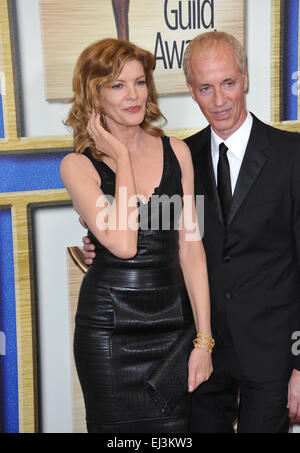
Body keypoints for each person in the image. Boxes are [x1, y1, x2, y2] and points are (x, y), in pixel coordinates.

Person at [83, 31, 300, 433]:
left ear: (246, 78)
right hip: (197, 354)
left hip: (272, 357)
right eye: (205, 88)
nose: (219, 100)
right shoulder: (179, 156)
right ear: (190, 90)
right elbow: (154, 232)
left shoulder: (293, 156)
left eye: (228, 83)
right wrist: (98, 244)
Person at [60, 38, 213, 433]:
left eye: (139, 82)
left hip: (171, 327)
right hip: (110, 333)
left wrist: (204, 341)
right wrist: (123, 157)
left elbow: (191, 248)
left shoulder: (176, 152)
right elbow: (125, 244)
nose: (133, 95)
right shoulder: (78, 166)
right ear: (94, 95)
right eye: (117, 85)